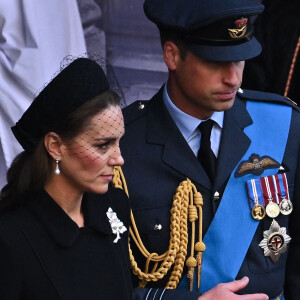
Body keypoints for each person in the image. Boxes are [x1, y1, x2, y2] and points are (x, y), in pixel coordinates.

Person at [119, 0, 300, 299]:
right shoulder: (123, 145)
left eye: (240, 59)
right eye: (216, 62)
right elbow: (102, 281)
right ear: (172, 55)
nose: (233, 78)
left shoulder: (285, 126)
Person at [0, 58, 132, 299]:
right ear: (56, 146)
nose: (118, 158)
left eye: (118, 142)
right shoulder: (10, 236)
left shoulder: (114, 206)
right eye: (103, 145)